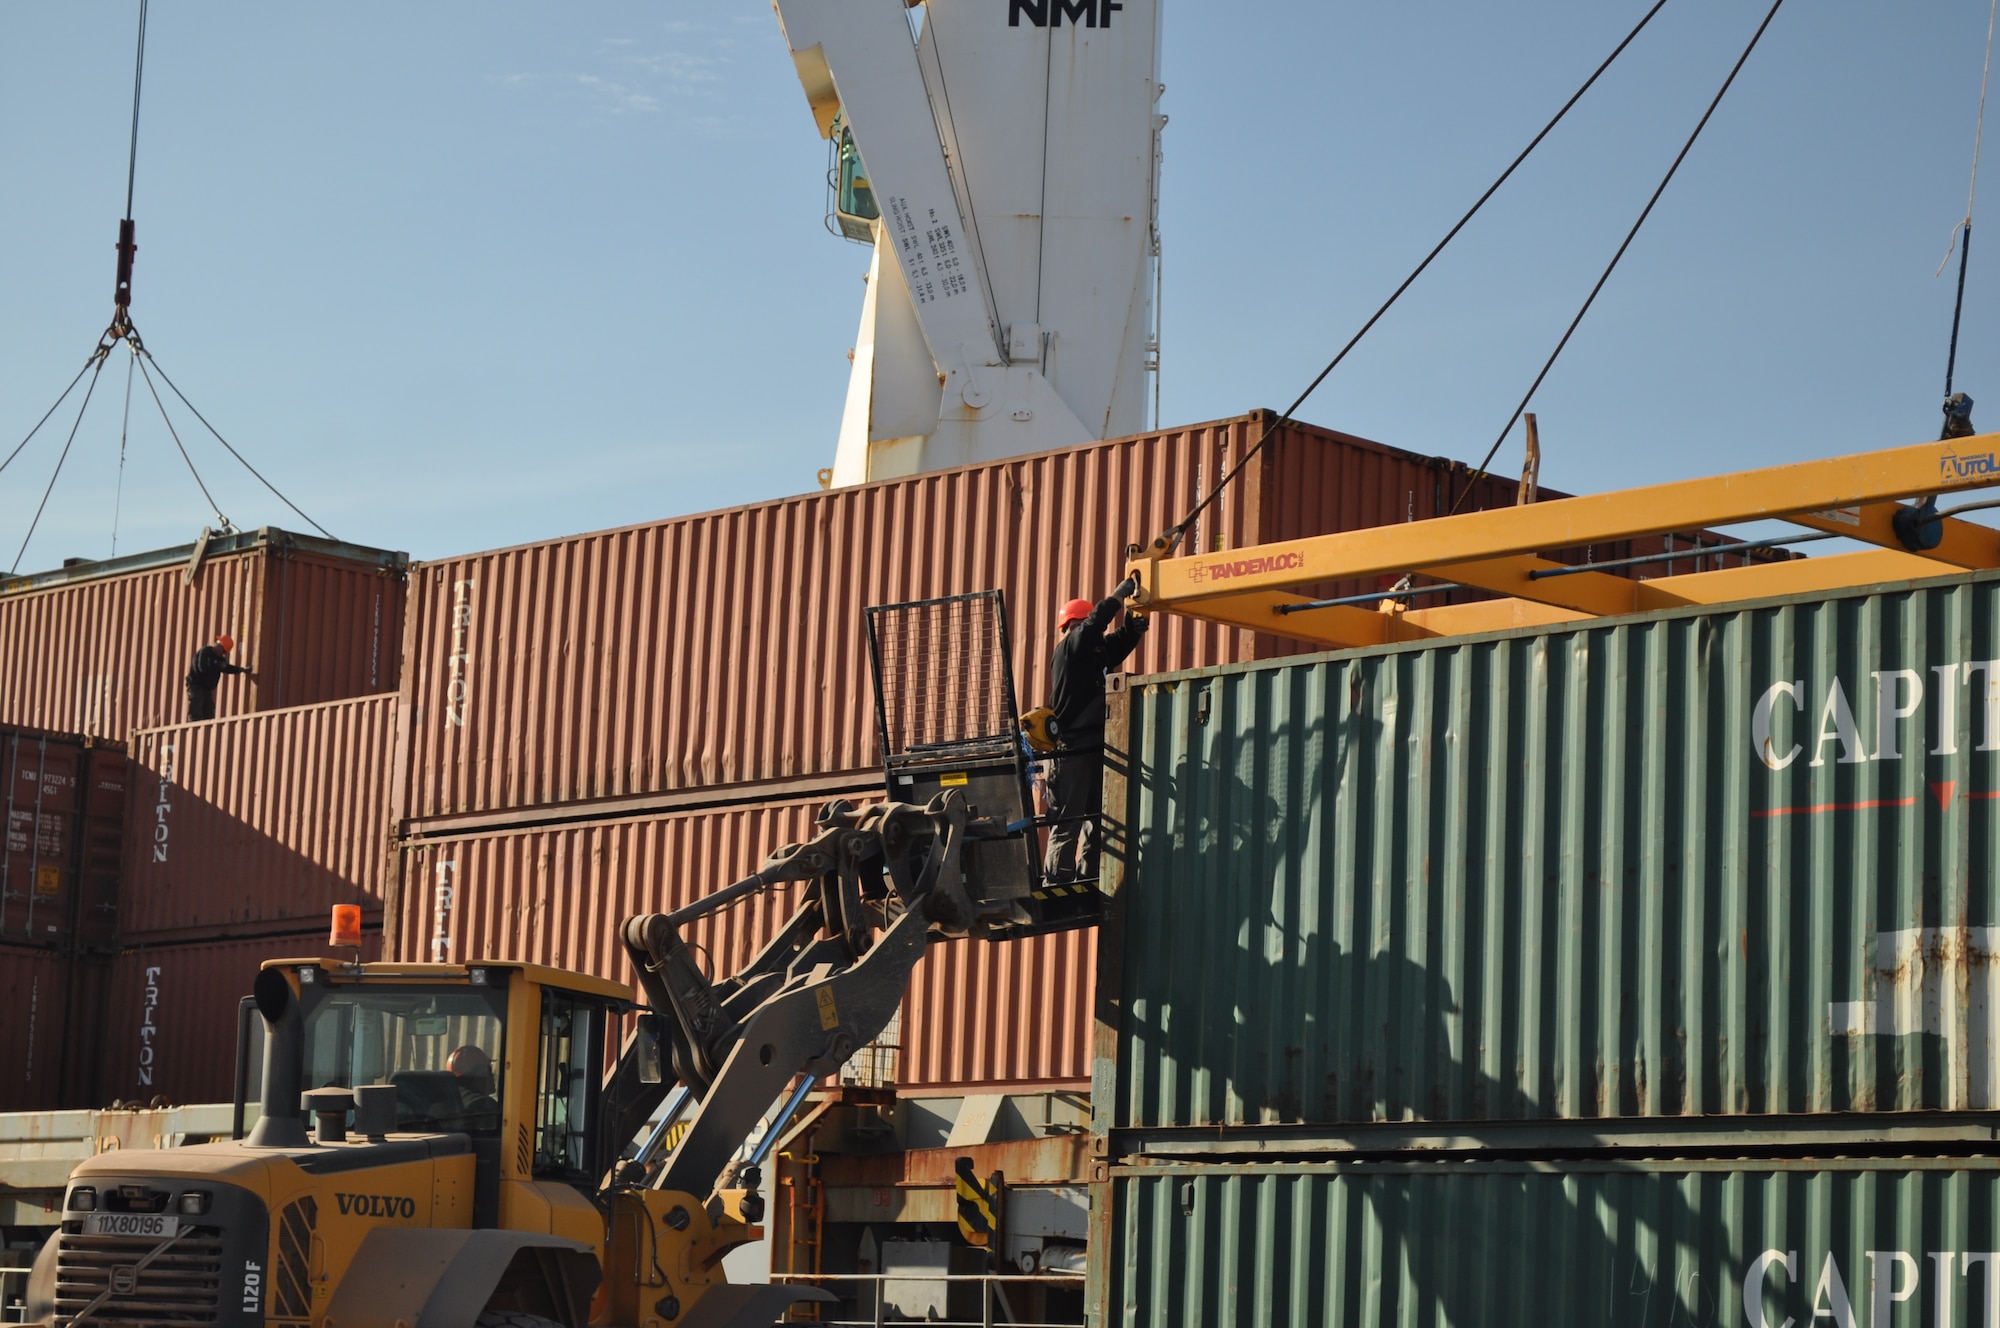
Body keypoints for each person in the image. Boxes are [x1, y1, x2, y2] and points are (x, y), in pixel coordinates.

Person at [1043, 576, 1147, 884]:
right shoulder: (1070, 651)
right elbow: (1093, 628)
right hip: (1071, 749)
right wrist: (1118, 596)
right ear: (1072, 627)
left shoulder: (1094, 655)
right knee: (1069, 819)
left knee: (1095, 818)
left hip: (1092, 748)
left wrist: (1131, 626)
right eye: (1084, 625)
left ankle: (1088, 878)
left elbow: (1117, 642)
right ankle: (1057, 881)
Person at [185, 633, 249, 721]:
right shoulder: (206, 651)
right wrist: (217, 665)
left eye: (225, 652)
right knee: (196, 708)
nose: (223, 654)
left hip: (207, 688)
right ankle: (193, 730)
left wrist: (241, 670)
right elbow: (202, 667)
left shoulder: (219, 659)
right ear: (219, 646)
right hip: (196, 685)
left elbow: (227, 668)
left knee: (209, 713)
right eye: (223, 651)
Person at [446, 1044, 500, 1129]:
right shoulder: (484, 1105)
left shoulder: (446, 1102)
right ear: (476, 1074)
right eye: (488, 1069)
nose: (492, 1075)